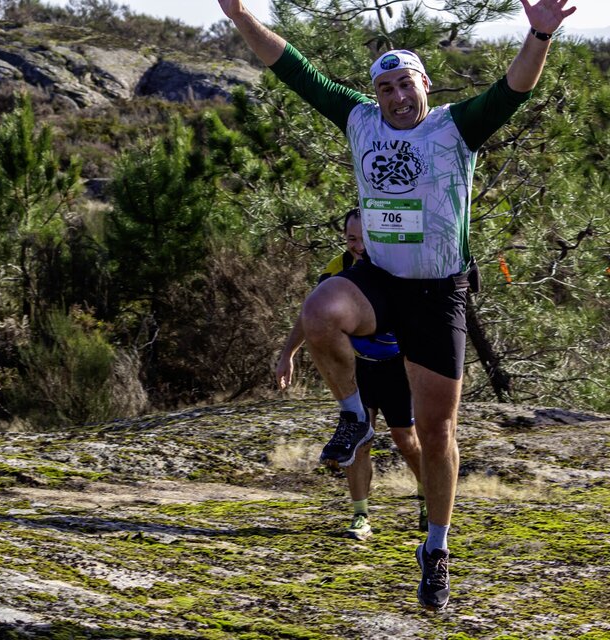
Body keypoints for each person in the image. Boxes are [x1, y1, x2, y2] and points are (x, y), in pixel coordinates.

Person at [217, 0, 576, 610]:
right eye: (385, 88)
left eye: (405, 84)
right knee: (320, 312)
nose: (396, 96)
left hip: (438, 294)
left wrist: (540, 32)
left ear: (424, 85)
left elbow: (514, 87)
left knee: (436, 433)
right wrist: (239, 14)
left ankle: (435, 548)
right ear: (375, 95)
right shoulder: (359, 119)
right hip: (380, 280)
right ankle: (353, 416)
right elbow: (293, 68)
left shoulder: (456, 127)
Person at [276, 207, 427, 540]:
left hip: (397, 367)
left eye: (364, 239)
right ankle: (361, 516)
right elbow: (311, 312)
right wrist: (288, 353)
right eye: (351, 239)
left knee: (405, 439)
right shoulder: (339, 268)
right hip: (360, 367)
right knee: (360, 438)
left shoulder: (396, 266)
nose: (358, 246)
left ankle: (427, 495)